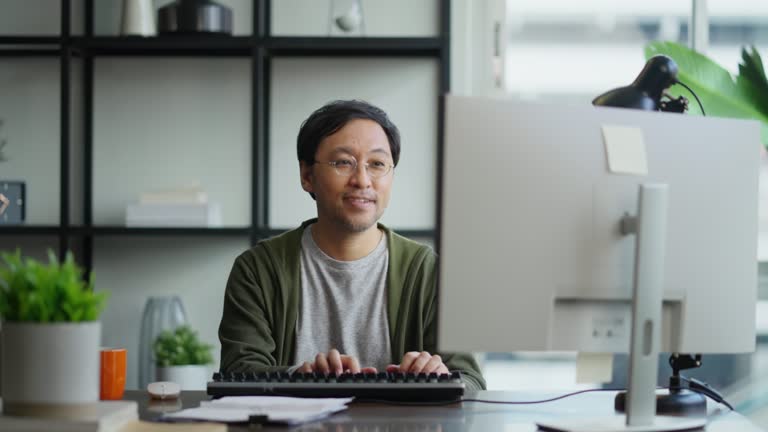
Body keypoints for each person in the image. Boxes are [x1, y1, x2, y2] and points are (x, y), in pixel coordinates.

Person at [218, 99, 485, 390]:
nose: (362, 180)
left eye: (377, 164)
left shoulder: (429, 271)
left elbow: (471, 381)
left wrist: (442, 377)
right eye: (343, 162)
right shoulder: (258, 269)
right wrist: (303, 378)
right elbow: (237, 373)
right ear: (307, 175)